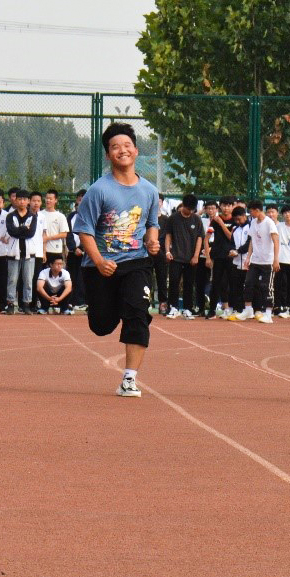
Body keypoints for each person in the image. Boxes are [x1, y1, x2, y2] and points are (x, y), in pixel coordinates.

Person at [72, 122, 161, 397]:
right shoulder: (98, 190)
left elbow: (151, 223)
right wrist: (99, 261)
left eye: (126, 145)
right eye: (115, 147)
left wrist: (152, 240)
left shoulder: (149, 190)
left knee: (137, 315)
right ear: (109, 155)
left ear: (135, 149)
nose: (122, 150)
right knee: (101, 325)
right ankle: (114, 309)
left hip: (136, 262)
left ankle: (129, 379)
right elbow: (84, 231)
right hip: (101, 266)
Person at [164, 193, 204, 318]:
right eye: (188, 209)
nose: (189, 212)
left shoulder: (196, 219)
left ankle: (188, 308)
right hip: (176, 257)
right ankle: (173, 307)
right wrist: (167, 251)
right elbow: (168, 235)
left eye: (192, 209)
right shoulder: (173, 218)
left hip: (191, 258)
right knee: (174, 282)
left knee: (189, 283)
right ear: (183, 205)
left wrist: (196, 255)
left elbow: (200, 238)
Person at [240, 200, 279, 323]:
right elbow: (252, 241)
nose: (250, 213)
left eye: (251, 211)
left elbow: (276, 241)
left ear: (257, 210)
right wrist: (248, 258)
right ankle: (248, 309)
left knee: (267, 287)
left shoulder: (269, 223)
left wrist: (276, 259)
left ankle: (268, 314)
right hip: (255, 261)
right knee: (248, 283)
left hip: (268, 261)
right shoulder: (253, 223)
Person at [4, 189, 40, 314]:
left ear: (28, 201)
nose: (22, 201)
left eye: (25, 199)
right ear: (15, 200)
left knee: (28, 280)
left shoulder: (32, 216)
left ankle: (26, 304)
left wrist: (20, 230)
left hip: (29, 252)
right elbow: (11, 231)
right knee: (12, 279)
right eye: (19, 199)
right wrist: (24, 228)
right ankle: (10, 303)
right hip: (13, 252)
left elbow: (31, 233)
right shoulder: (10, 216)